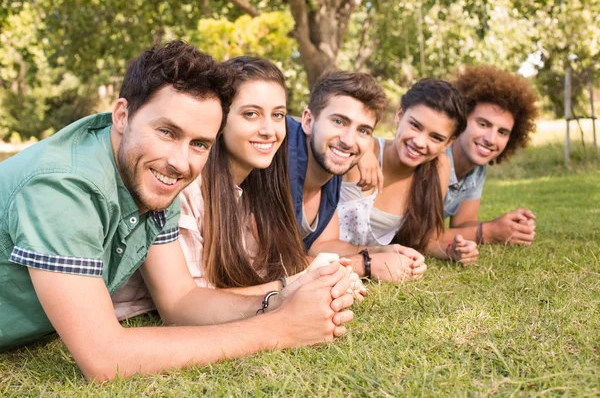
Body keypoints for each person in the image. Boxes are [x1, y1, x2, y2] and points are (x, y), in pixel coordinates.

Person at [0, 41, 355, 381]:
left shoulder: (151, 176)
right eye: (167, 132)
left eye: (199, 143)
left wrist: (279, 299)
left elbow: (181, 301)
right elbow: (105, 357)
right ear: (122, 115)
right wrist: (280, 328)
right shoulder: (64, 186)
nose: (179, 162)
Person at [112, 56, 365, 319]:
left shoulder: (253, 187)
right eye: (251, 114)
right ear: (219, 121)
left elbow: (247, 278)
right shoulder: (182, 181)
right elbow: (191, 301)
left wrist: (325, 276)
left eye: (277, 115)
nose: (269, 130)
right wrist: (293, 285)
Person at [287, 71, 428, 282]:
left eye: (363, 130)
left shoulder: (331, 171)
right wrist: (365, 265)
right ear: (308, 120)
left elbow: (322, 246)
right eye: (338, 121)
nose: (348, 140)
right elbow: (265, 263)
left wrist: (379, 252)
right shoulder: (284, 162)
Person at [338, 78, 479, 264]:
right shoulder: (357, 147)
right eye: (415, 125)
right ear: (399, 115)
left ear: (449, 143)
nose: (420, 142)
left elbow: (428, 240)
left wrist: (450, 252)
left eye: (436, 137)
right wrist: (359, 148)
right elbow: (305, 124)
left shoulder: (437, 168)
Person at [441, 65, 539, 246]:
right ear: (462, 118)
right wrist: (490, 232)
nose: (491, 139)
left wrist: (505, 226)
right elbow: (422, 237)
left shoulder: (477, 168)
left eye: (502, 132)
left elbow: (463, 223)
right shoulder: (435, 156)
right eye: (483, 124)